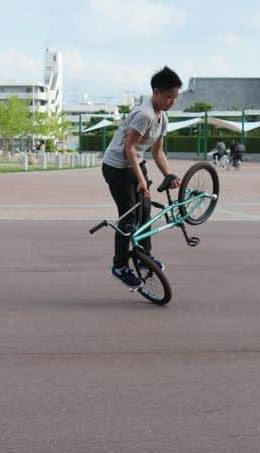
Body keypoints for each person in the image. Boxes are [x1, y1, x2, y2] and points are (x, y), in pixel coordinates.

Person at [100, 66, 182, 289]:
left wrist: (169, 174)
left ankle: (143, 256)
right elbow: (129, 148)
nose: (171, 102)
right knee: (129, 217)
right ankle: (119, 266)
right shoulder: (143, 114)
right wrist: (141, 180)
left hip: (136, 163)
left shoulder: (161, 117)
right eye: (168, 97)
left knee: (145, 212)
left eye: (175, 98)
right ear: (156, 92)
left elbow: (157, 152)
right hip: (117, 167)